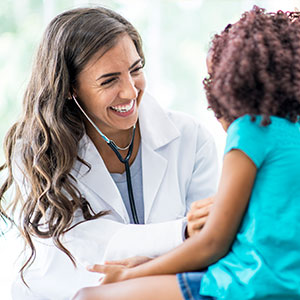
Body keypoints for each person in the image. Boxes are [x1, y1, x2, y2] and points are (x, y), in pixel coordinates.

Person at [72, 6, 300, 300]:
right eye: (109, 80)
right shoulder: (291, 133)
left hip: (245, 285)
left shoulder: (250, 131)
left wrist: (132, 274)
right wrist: (154, 263)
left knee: (89, 297)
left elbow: (214, 242)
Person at [0, 6, 219, 300]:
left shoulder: (191, 139)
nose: (130, 92)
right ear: (70, 89)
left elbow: (212, 244)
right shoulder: (37, 151)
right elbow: (84, 244)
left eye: (136, 70)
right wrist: (183, 233)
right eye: (109, 80)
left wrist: (147, 270)